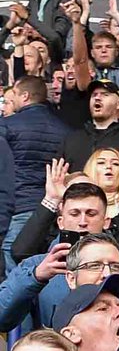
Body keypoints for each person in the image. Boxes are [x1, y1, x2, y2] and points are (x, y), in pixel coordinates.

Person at [0, 76, 72, 271]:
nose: (11, 99)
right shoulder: (64, 129)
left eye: (13, 94)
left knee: (12, 272)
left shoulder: (6, 126)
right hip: (49, 210)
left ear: (25, 96)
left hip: (17, 208)